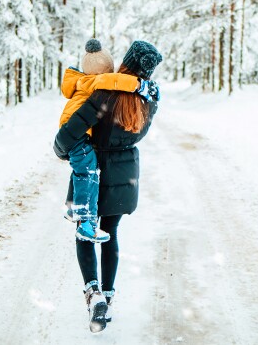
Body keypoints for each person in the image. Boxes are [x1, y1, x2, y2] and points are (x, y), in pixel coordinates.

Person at [54, 40, 162, 334]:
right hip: (124, 174)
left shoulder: (103, 94)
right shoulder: (149, 98)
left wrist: (62, 150)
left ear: (126, 62)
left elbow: (67, 135)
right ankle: (110, 296)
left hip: (93, 171)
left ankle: (93, 293)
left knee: (85, 232)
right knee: (111, 233)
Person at [57, 39, 154, 243]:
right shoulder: (97, 83)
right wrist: (140, 85)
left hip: (76, 135)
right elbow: (117, 81)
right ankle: (84, 220)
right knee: (87, 172)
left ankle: (78, 213)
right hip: (84, 141)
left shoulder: (85, 82)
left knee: (85, 172)